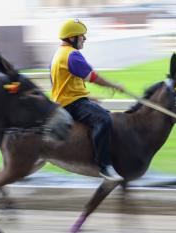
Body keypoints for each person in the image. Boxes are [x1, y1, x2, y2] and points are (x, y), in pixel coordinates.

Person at [50, 19, 124, 182]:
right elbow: (92, 76)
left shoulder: (58, 54)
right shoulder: (72, 55)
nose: (85, 39)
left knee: (102, 113)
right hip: (72, 104)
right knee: (104, 119)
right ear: (72, 38)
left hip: (67, 101)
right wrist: (113, 86)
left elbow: (63, 85)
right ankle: (104, 166)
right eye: (82, 36)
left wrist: (88, 98)